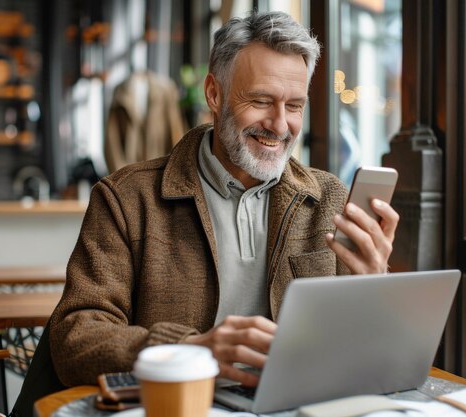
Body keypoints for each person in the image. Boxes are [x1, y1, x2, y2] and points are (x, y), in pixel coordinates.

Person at [49, 10, 399, 389]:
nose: (280, 125)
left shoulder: (330, 199)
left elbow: (365, 355)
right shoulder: (126, 199)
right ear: (214, 94)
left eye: (295, 106)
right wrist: (191, 350)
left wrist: (375, 289)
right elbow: (75, 338)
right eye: (262, 101)